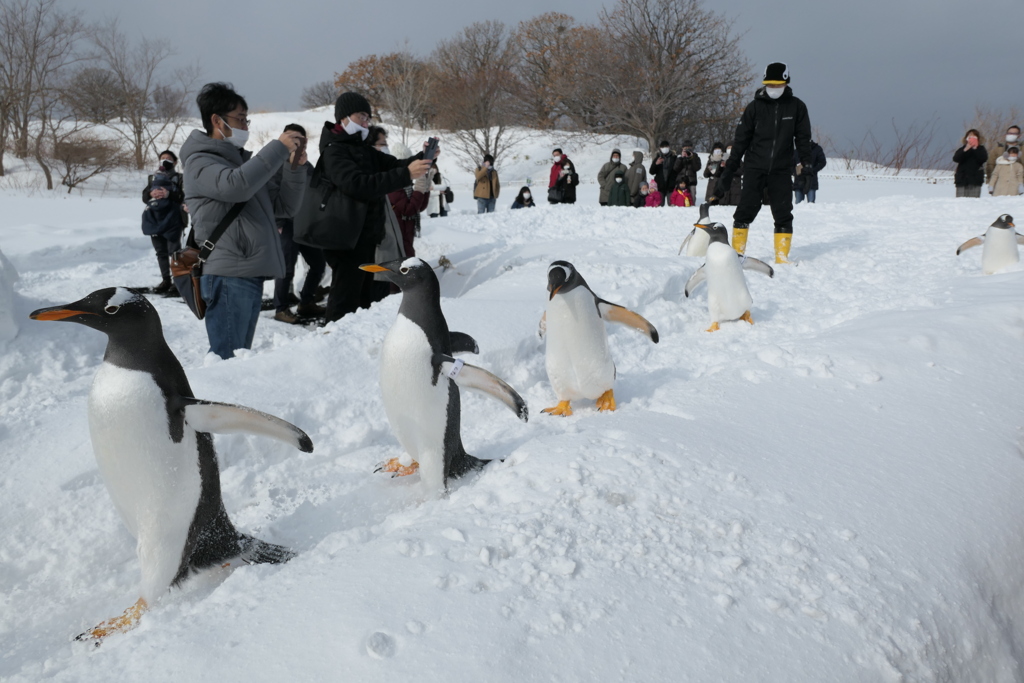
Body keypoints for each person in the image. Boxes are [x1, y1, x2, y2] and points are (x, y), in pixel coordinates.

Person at [180, 83, 306, 359]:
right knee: (226, 359)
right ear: (217, 120)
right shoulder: (200, 162)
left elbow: (284, 206)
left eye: (246, 120)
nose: (245, 126)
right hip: (227, 274)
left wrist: (293, 169)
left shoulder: (243, 164)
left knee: (238, 358)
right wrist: (276, 149)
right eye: (240, 119)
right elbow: (235, 187)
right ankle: (216, 403)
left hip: (247, 272)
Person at [316, 92, 433, 322]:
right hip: (344, 236)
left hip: (366, 235)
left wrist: (424, 157)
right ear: (344, 117)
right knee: (345, 299)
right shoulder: (335, 150)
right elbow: (357, 184)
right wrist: (406, 174)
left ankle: (354, 344)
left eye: (368, 118)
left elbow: (394, 165)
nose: (366, 123)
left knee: (362, 299)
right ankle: (332, 344)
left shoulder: (361, 148)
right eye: (362, 117)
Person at [711, 62, 812, 264]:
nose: (773, 89)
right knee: (745, 209)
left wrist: (807, 168)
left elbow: (803, 140)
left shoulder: (797, 107)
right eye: (770, 85)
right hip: (754, 168)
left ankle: (782, 257)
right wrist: (728, 172)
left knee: (783, 212)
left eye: (777, 85)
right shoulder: (754, 108)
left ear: (786, 83)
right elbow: (740, 143)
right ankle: (737, 253)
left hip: (781, 170)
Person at [268, 123, 326, 324]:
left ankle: (306, 302)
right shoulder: (275, 162)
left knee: (318, 264)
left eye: (302, 140)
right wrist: (278, 222)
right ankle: (281, 308)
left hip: (306, 224)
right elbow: (270, 192)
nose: (298, 143)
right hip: (287, 224)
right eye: (294, 139)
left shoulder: (306, 164)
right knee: (286, 268)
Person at [141, 150, 186, 293]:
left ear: (175, 162)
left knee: (174, 252)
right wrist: (150, 194)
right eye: (162, 158)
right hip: (155, 219)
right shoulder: (152, 178)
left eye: (168, 158)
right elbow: (144, 198)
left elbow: (184, 196)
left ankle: (177, 282)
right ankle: (166, 280)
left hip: (174, 220)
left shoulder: (180, 178)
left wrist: (169, 194)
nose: (165, 161)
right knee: (160, 252)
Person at [383, 134, 431, 257]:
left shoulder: (407, 184)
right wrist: (420, 189)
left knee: (408, 255)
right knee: (403, 257)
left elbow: (419, 207)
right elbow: (409, 210)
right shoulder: (394, 185)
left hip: (407, 229)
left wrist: (425, 187)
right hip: (398, 230)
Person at [953, 129, 988, 198]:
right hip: (962, 180)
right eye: (970, 136)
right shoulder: (962, 149)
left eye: (974, 136)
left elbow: (983, 159)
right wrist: (965, 149)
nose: (971, 138)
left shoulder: (981, 149)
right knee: (960, 201)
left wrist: (975, 148)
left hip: (975, 180)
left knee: (973, 202)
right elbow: (956, 159)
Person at [793, 140, 827, 204]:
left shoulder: (817, 149)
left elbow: (823, 162)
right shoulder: (797, 150)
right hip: (799, 181)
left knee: (811, 205)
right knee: (798, 205)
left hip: (811, 180)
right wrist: (796, 172)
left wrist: (813, 170)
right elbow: (791, 164)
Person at [649, 140, 677, 206]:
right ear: (660, 148)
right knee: (659, 205)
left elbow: (677, 170)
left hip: (671, 186)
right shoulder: (657, 158)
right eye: (663, 147)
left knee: (672, 206)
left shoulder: (674, 158)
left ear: (669, 147)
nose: (664, 148)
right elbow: (651, 172)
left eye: (666, 146)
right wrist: (656, 164)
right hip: (660, 186)